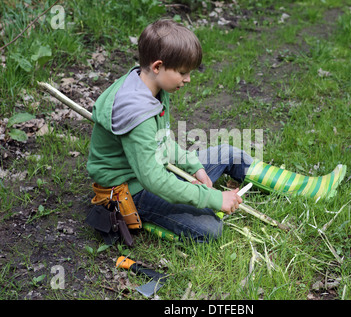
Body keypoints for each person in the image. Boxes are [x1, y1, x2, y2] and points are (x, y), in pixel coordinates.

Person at [86, 19, 252, 243]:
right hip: (134, 188)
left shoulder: (151, 87)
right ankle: (146, 216)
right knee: (211, 229)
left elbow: (161, 142)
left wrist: (194, 167)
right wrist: (212, 198)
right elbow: (154, 180)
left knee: (228, 153)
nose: (188, 79)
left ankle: (287, 186)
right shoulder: (136, 112)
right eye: (183, 72)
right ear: (157, 66)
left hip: (154, 167)